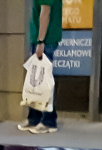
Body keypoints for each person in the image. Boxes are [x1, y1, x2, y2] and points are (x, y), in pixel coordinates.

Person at [19, 0, 62, 134]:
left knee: (43, 82)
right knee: (36, 82)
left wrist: (41, 41)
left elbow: (45, 13)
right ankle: (34, 118)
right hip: (41, 40)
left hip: (45, 40)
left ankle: (49, 121)